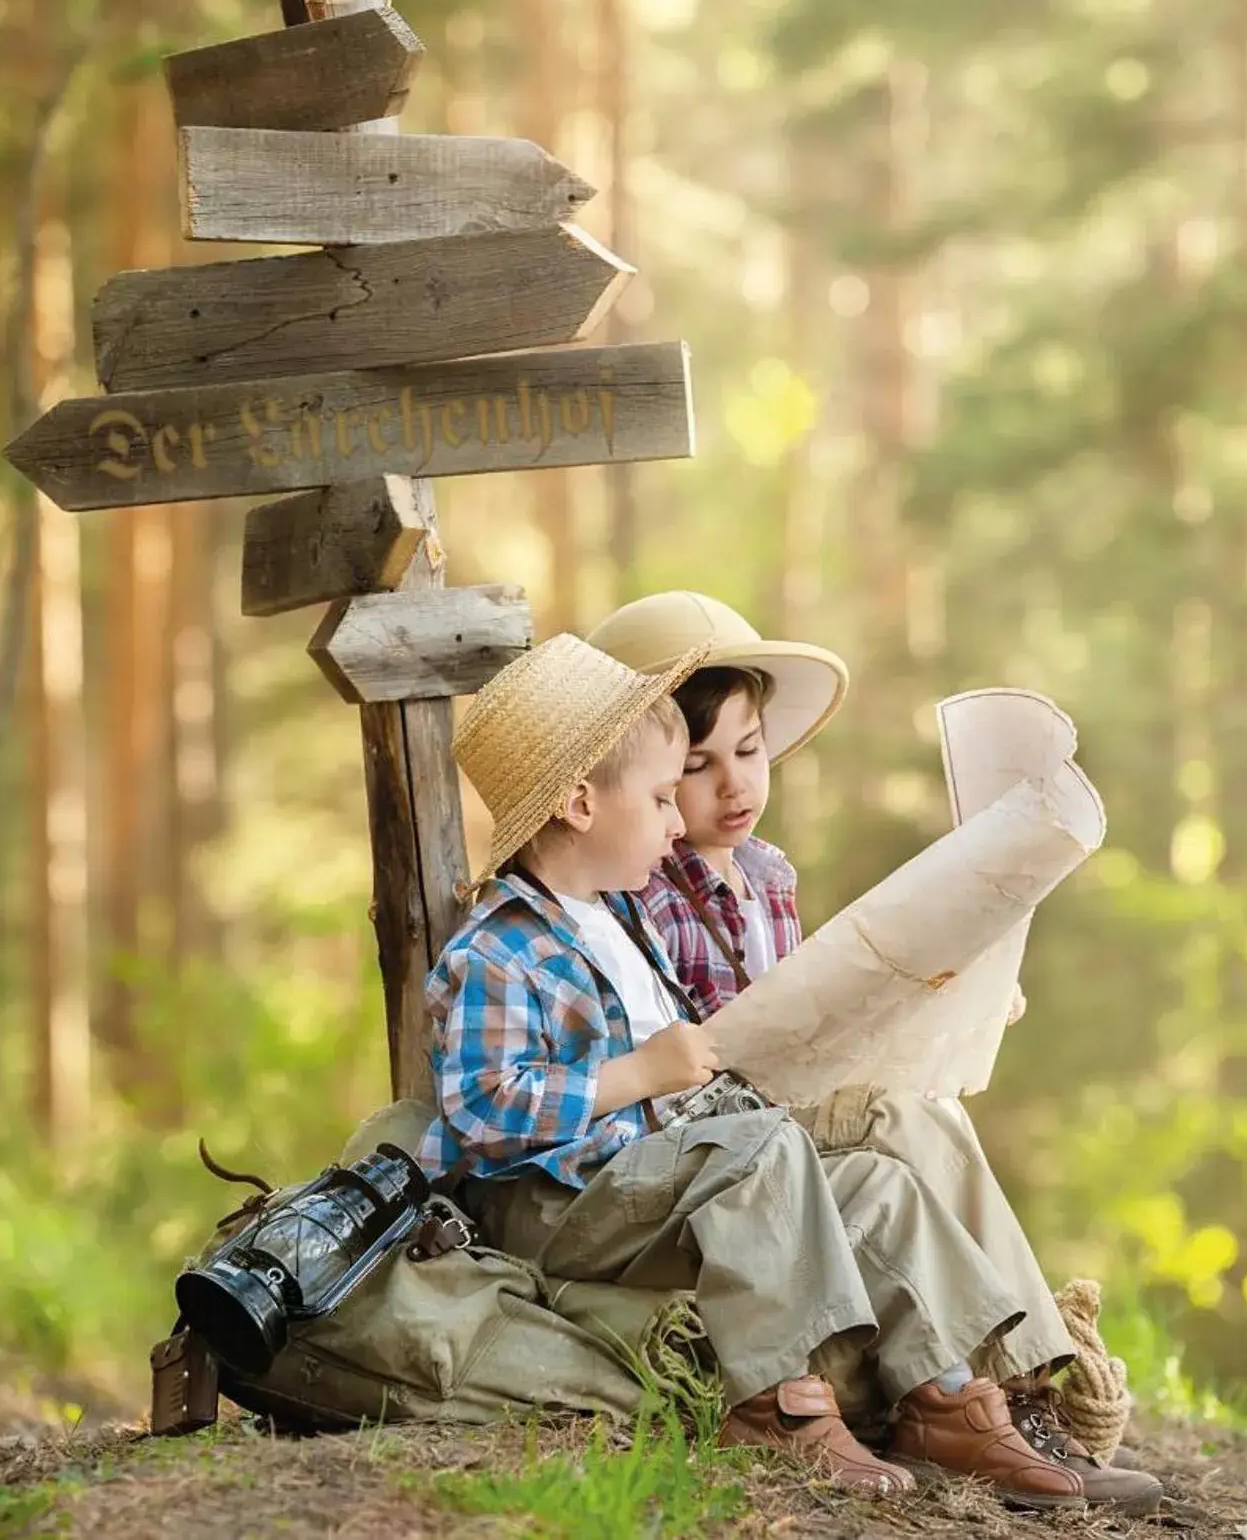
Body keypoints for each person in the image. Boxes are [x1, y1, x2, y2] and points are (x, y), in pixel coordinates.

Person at [418, 634, 1085, 1509]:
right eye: (662, 796)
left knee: (880, 1184)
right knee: (765, 1146)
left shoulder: (613, 922)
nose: (673, 822)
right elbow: (484, 1114)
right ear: (580, 802)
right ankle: (781, 1404)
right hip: (562, 1205)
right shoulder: (500, 948)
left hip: (661, 1177)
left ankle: (947, 1393)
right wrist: (636, 1073)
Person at [586, 592, 1163, 1515]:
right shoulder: (633, 883)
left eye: (748, 751)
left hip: (792, 1093)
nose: (732, 786)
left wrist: (942, 1004)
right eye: (694, 768)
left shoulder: (769, 873)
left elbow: (816, 1002)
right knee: (900, 1115)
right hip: (723, 1126)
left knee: (929, 1102)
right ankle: (996, 1385)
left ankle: (1008, 1388)